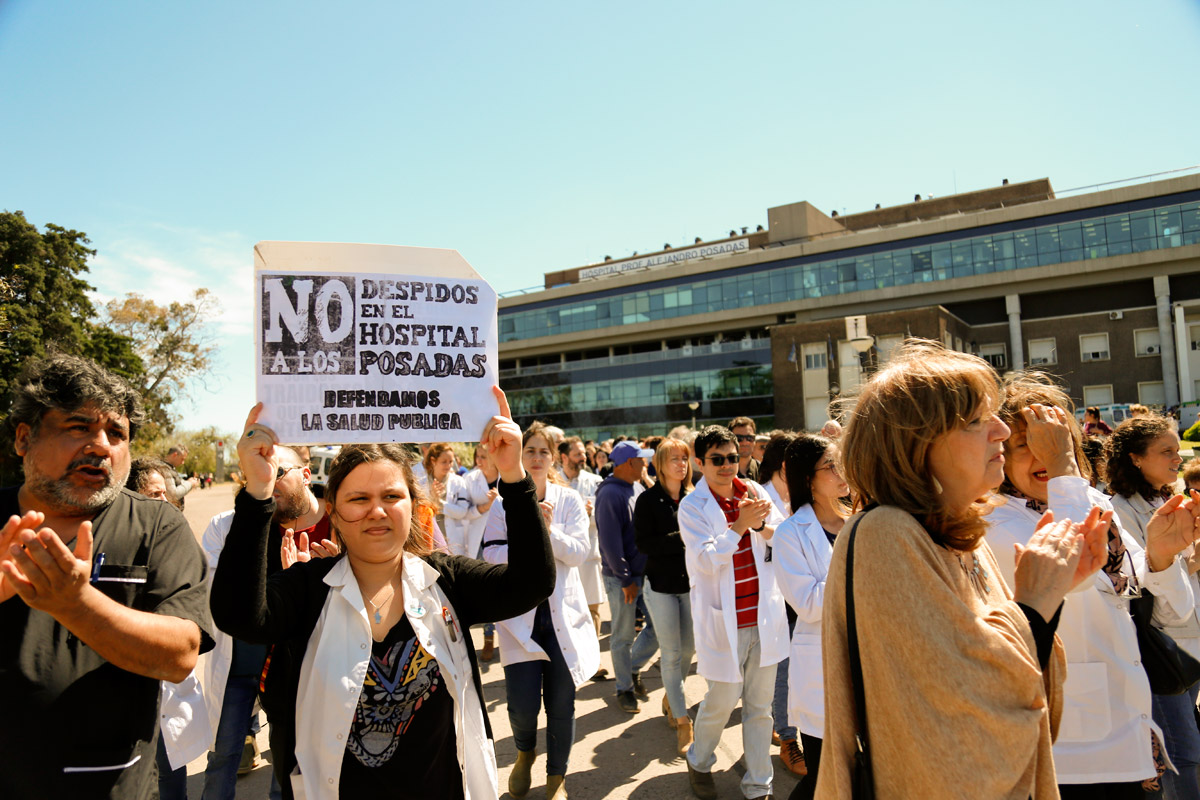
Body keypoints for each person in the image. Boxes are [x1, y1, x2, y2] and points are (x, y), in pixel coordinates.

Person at [210, 388, 554, 799]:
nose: (377, 511)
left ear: (414, 506)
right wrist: (257, 492)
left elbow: (533, 583)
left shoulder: (446, 581)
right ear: (333, 512)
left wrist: (514, 475)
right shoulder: (308, 587)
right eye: (359, 499)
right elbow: (237, 615)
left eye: (392, 497)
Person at [819, 341, 1109, 799]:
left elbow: (1025, 708)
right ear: (916, 444)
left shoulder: (962, 535)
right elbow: (965, 715)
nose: (1000, 430)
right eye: (975, 421)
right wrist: (1033, 604)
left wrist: (1052, 595)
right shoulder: (886, 533)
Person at [0, 353, 211, 799]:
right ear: (24, 438)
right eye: (79, 427)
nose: (100, 446)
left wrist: (76, 604)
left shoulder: (158, 526)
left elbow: (180, 655)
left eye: (117, 434)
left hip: (112, 785)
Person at [987, 375, 1198, 798]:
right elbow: (1070, 571)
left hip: (1130, 733)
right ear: (1002, 457)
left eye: (1055, 438)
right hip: (1070, 754)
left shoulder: (1090, 501)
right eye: (1027, 444)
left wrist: (1160, 555)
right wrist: (1065, 468)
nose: (1045, 454)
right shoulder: (994, 523)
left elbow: (1170, 608)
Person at [202, 444, 336, 800]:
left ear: (306, 474)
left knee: (288, 768)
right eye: (257, 472)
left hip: (300, 672)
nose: (268, 481)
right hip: (242, 666)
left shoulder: (341, 523)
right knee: (223, 755)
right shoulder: (244, 526)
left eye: (278, 472)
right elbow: (224, 594)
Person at [483, 423, 598, 800]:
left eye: (542, 452)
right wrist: (529, 534)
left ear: (553, 458)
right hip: (521, 622)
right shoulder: (504, 504)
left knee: (562, 703)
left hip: (562, 617)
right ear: (519, 453)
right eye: (528, 450)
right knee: (522, 705)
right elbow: (490, 555)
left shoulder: (568, 500)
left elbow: (579, 553)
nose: (535, 458)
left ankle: (556, 777)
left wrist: (549, 533)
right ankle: (524, 752)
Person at [679, 425, 787, 800]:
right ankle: (699, 758)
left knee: (759, 707)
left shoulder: (754, 491)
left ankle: (759, 785)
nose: (728, 466)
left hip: (763, 615)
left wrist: (761, 525)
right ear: (699, 463)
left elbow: (781, 534)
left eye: (732, 458)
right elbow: (707, 561)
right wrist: (740, 526)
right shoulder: (692, 507)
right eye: (717, 460)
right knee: (722, 700)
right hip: (723, 620)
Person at [1106, 415, 1200, 800]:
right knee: (1183, 755)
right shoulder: (1119, 510)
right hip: (1160, 648)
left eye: (1177, 450)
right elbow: (1138, 583)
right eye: (1166, 452)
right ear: (1136, 458)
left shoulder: (1170, 499)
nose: (1176, 459)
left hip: (1189, 640)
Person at [772, 433, 850, 800]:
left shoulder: (857, 520)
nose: (841, 472)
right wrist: (858, 573)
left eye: (841, 462)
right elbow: (807, 603)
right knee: (824, 777)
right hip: (820, 664)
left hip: (865, 662)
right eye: (831, 466)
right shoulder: (790, 533)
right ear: (807, 479)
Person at [633, 436, 695, 755]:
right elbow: (645, 544)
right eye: (674, 459)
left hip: (691, 586)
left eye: (684, 459)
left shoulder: (694, 497)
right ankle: (683, 722)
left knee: (688, 651)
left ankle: (673, 697)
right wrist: (683, 538)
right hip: (660, 586)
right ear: (659, 465)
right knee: (671, 652)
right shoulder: (647, 500)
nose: (681, 465)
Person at [755, 430, 806, 776]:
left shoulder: (801, 498)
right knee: (782, 671)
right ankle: (789, 740)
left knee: (796, 668)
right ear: (784, 465)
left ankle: (789, 729)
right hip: (772, 595)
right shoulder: (761, 496)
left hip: (800, 593)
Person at [596, 440, 659, 713]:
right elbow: (610, 544)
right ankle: (624, 688)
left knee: (657, 629)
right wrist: (625, 580)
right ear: (627, 463)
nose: (646, 464)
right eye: (641, 460)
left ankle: (631, 669)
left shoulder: (635, 485)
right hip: (623, 578)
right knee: (622, 636)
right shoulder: (610, 494)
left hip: (642, 575)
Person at [442, 444, 500, 660]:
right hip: (479, 541)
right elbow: (466, 513)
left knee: (504, 588)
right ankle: (487, 638)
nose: (479, 460)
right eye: (478, 456)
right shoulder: (471, 479)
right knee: (484, 590)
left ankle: (508, 637)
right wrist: (486, 506)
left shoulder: (507, 475)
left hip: (504, 539)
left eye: (484, 456)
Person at [559, 436, 607, 676]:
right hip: (562, 556)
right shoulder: (552, 482)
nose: (583, 458)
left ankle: (593, 660)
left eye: (583, 454)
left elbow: (602, 517)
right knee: (565, 609)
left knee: (592, 608)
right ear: (564, 457)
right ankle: (569, 660)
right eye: (577, 454)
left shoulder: (595, 481)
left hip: (588, 554)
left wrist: (587, 514)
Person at [422, 442, 456, 536]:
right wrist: (432, 497)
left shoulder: (458, 482)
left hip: (452, 536)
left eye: (451, 461)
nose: (448, 465)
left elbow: (463, 512)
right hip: (429, 533)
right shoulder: (421, 482)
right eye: (444, 462)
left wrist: (439, 502)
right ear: (433, 460)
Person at [729, 416, 760, 481]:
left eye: (749, 438)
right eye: (739, 438)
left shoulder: (764, 471)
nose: (745, 442)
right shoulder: (723, 470)